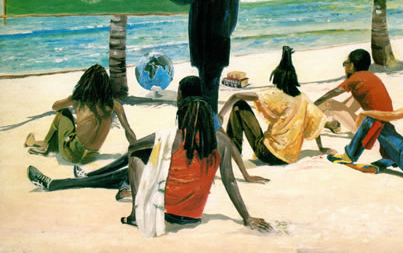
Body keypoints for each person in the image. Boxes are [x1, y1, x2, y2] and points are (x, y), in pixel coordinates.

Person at [27, 76, 268, 196]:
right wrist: (246, 175)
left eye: (178, 92)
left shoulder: (202, 119)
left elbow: (226, 145)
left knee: (122, 170)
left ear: (183, 96)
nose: (176, 96)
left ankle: (54, 184)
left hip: (172, 178)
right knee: (130, 158)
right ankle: (90, 175)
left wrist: (246, 175)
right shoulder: (203, 116)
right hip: (174, 173)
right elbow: (227, 144)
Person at [124, 96, 271, 236]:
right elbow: (230, 181)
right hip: (193, 215)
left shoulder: (172, 136)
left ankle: (135, 215)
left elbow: (132, 147)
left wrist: (157, 153)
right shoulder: (222, 142)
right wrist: (247, 217)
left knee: (137, 157)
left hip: (165, 210)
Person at [147, 0, 239, 112]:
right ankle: (207, 118)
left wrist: (220, 36)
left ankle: (210, 119)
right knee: (204, 85)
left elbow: (232, 16)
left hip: (216, 45)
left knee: (210, 86)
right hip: (200, 44)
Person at [217, 46, 333, 166]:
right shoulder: (303, 99)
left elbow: (236, 96)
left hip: (268, 153)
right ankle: (233, 149)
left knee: (239, 105)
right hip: (289, 157)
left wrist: (220, 115)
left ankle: (233, 149)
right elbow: (317, 122)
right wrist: (321, 148)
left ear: (277, 78)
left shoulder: (275, 94)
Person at [24, 64, 136, 164]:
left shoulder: (78, 99)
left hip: (72, 154)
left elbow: (55, 107)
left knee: (64, 112)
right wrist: (136, 149)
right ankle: (46, 144)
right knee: (72, 126)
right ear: (106, 85)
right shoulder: (115, 105)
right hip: (90, 156)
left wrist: (70, 99)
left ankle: (45, 144)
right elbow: (128, 131)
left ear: (85, 82)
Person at [314, 49, 393, 156]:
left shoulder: (355, 79)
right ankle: (334, 123)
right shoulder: (370, 77)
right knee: (355, 97)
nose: (345, 67)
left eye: (345, 64)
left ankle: (326, 122)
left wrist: (313, 104)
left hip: (371, 131)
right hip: (382, 122)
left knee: (328, 103)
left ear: (351, 66)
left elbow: (334, 92)